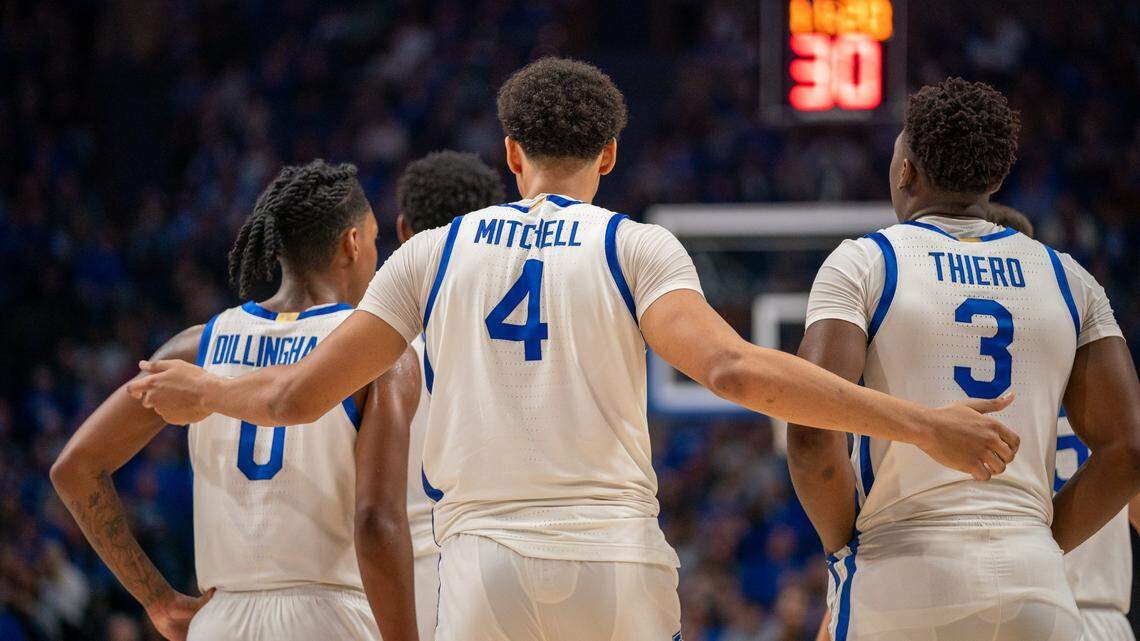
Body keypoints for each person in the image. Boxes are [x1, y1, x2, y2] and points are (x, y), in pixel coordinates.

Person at [128, 59, 1020, 641]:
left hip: (483, 571)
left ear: (510, 153)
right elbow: (736, 371)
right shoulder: (633, 245)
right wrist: (921, 424)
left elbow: (294, 398)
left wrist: (204, 390)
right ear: (610, 154)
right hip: (613, 559)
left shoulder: (432, 253)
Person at [787, 78, 1140, 641]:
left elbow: (811, 433)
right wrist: (1041, 542)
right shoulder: (1071, 278)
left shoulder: (864, 262)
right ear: (995, 178)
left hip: (900, 570)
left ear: (906, 172)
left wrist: (844, 546)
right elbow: (1128, 449)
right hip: (1035, 585)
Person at [51, 160, 420, 641]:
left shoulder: (196, 347)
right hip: (331, 617)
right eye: (373, 240)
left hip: (221, 620)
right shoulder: (376, 354)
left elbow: (75, 468)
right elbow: (375, 521)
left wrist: (157, 599)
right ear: (353, 243)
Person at [392, 150, 507, 641]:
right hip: (508, 561)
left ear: (402, 233)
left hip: (407, 574)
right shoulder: (528, 352)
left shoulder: (375, 357)